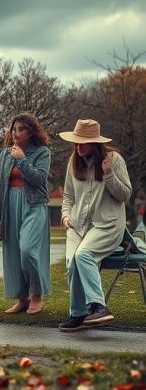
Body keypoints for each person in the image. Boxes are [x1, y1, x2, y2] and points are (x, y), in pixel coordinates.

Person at [57, 118, 131, 332]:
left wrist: (108, 174)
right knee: (72, 263)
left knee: (84, 255)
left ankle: (99, 306)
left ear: (96, 143)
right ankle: (78, 314)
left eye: (83, 142)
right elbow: (68, 196)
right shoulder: (74, 161)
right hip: (77, 225)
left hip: (106, 225)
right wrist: (65, 217)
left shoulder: (113, 160)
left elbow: (124, 194)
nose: (78, 146)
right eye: (76, 142)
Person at [0, 113, 51, 316]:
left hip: (34, 205)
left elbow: (38, 179)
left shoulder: (42, 152)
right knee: (14, 253)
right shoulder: (5, 155)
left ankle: (37, 295)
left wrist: (22, 160)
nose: (16, 133)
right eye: (13, 129)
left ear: (31, 132)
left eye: (21, 129)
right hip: (9, 205)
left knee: (28, 250)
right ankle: (21, 299)